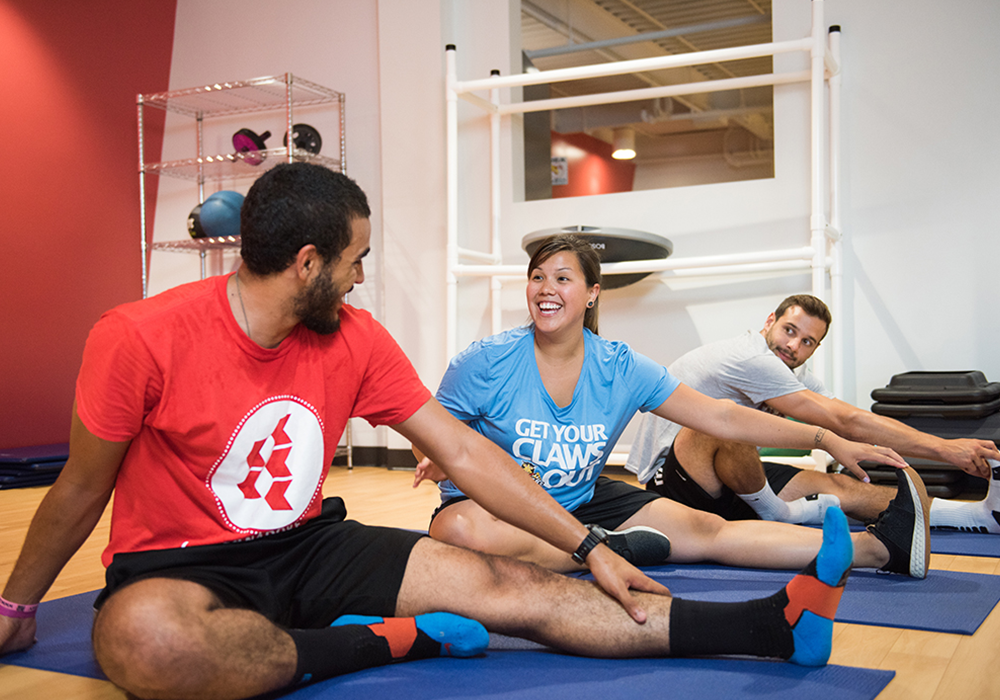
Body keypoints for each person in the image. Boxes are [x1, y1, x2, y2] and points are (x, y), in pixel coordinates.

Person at [0, 165, 862, 700]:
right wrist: (18, 604)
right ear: (307, 263)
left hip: (307, 545)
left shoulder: (356, 338)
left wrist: (589, 543)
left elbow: (459, 450)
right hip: (175, 565)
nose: (362, 275)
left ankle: (766, 627)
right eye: (354, 260)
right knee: (149, 647)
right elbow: (81, 487)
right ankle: (383, 641)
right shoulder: (137, 334)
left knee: (503, 583)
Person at [415, 234, 931, 582]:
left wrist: (825, 438)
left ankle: (877, 551)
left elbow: (722, 417)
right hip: (497, 510)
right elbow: (432, 429)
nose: (547, 289)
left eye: (563, 278)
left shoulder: (621, 366)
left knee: (710, 532)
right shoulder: (485, 360)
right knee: (455, 534)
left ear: (592, 294)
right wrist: (436, 450)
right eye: (538, 277)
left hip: (582, 499)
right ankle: (608, 548)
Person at [626, 294, 1000, 531]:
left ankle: (978, 516)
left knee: (843, 487)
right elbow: (841, 424)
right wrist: (946, 450)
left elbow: (850, 419)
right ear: (769, 321)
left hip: (732, 475)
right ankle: (774, 513)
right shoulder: (748, 356)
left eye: (807, 341)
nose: (793, 345)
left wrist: (945, 448)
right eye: (789, 330)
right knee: (727, 419)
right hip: (673, 478)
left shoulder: (794, 373)